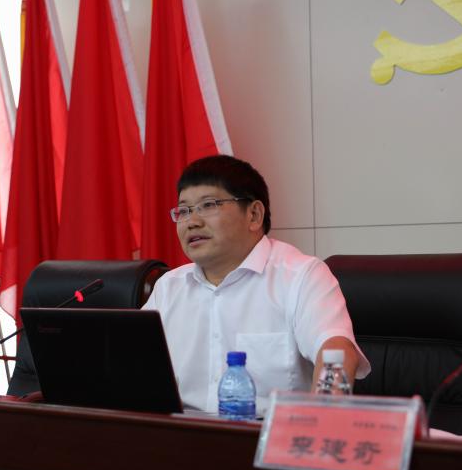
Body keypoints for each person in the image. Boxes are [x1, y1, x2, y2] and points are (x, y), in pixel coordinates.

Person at [143, 155, 370, 413]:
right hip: (178, 432)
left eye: (208, 205)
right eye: (184, 211)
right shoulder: (168, 288)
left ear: (254, 214)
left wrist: (321, 424)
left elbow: (337, 353)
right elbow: (129, 362)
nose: (192, 221)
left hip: (268, 433)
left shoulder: (301, 276)